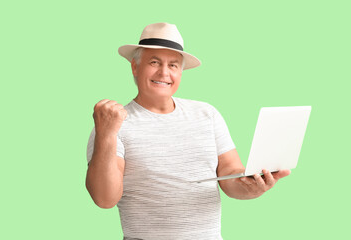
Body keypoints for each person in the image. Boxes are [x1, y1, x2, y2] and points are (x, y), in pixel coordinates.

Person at [85, 22, 290, 240]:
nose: (164, 72)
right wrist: (106, 135)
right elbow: (104, 198)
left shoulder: (207, 114)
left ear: (180, 72)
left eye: (173, 65)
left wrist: (252, 187)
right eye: (154, 62)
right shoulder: (112, 123)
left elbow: (230, 176)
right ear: (135, 67)